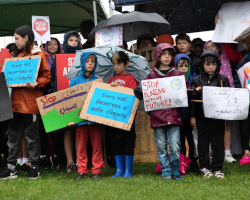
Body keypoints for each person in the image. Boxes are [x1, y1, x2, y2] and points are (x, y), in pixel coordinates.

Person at [0, 25, 51, 179]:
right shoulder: (15, 56)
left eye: (17, 38)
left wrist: (36, 83)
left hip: (31, 104)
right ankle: (11, 168)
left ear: (26, 38)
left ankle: (34, 167)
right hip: (14, 103)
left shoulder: (39, 55)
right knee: (13, 137)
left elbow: (47, 76)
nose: (14, 41)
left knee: (32, 137)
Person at [134, 43, 191, 181]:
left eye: (170, 54)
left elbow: (188, 91)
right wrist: (141, 89)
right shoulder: (151, 77)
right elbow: (138, 93)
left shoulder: (178, 75)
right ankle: (166, 170)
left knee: (175, 145)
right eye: (164, 54)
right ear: (158, 56)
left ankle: (175, 169)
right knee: (160, 146)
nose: (167, 57)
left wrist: (194, 90)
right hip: (157, 117)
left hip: (175, 117)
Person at [190, 50, 230, 179]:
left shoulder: (223, 80)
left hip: (217, 118)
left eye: (213, 64)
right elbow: (192, 101)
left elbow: (229, 98)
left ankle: (218, 168)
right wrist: (192, 116)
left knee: (218, 143)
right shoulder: (197, 80)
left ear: (217, 65)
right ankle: (205, 167)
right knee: (202, 143)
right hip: (201, 117)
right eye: (207, 64)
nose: (210, 67)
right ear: (202, 65)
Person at [68, 52, 103, 180]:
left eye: (92, 61)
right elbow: (70, 102)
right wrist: (71, 119)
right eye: (87, 61)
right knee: (81, 146)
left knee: (97, 146)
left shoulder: (98, 81)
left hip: (95, 120)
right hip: (80, 120)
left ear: (95, 64)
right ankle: (81, 170)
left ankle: (96, 170)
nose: (90, 63)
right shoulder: (74, 81)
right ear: (82, 63)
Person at [50, 31, 82, 172]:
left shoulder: (83, 57)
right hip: (64, 99)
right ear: (65, 42)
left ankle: (79, 160)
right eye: (71, 40)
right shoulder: (59, 58)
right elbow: (53, 79)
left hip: (80, 97)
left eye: (76, 40)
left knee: (79, 129)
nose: (74, 43)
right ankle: (69, 162)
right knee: (68, 129)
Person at [204, 41, 236, 163]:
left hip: (225, 96)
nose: (210, 48)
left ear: (219, 48)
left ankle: (227, 152)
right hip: (211, 99)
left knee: (226, 124)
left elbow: (230, 79)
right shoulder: (204, 65)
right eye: (207, 47)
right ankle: (214, 151)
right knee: (211, 125)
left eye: (213, 46)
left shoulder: (225, 60)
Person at [108, 51, 138, 178]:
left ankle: (128, 171)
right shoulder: (111, 79)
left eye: (119, 64)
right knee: (116, 143)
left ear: (126, 64)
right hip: (115, 118)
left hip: (128, 118)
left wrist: (119, 89)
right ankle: (119, 170)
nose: (115, 67)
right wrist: (111, 87)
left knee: (128, 143)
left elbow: (133, 95)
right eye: (114, 64)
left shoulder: (131, 78)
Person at [40, 38, 63, 169]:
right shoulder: (43, 59)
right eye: (50, 44)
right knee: (44, 128)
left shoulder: (63, 59)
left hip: (59, 97)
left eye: (55, 44)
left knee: (56, 129)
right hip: (45, 96)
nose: (53, 46)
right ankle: (43, 157)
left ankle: (56, 157)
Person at [174, 53, 199, 174]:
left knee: (192, 141)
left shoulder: (194, 80)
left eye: (186, 66)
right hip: (178, 116)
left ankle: (194, 164)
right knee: (180, 141)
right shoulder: (172, 81)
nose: (184, 68)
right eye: (180, 66)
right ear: (175, 67)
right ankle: (182, 165)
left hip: (190, 116)